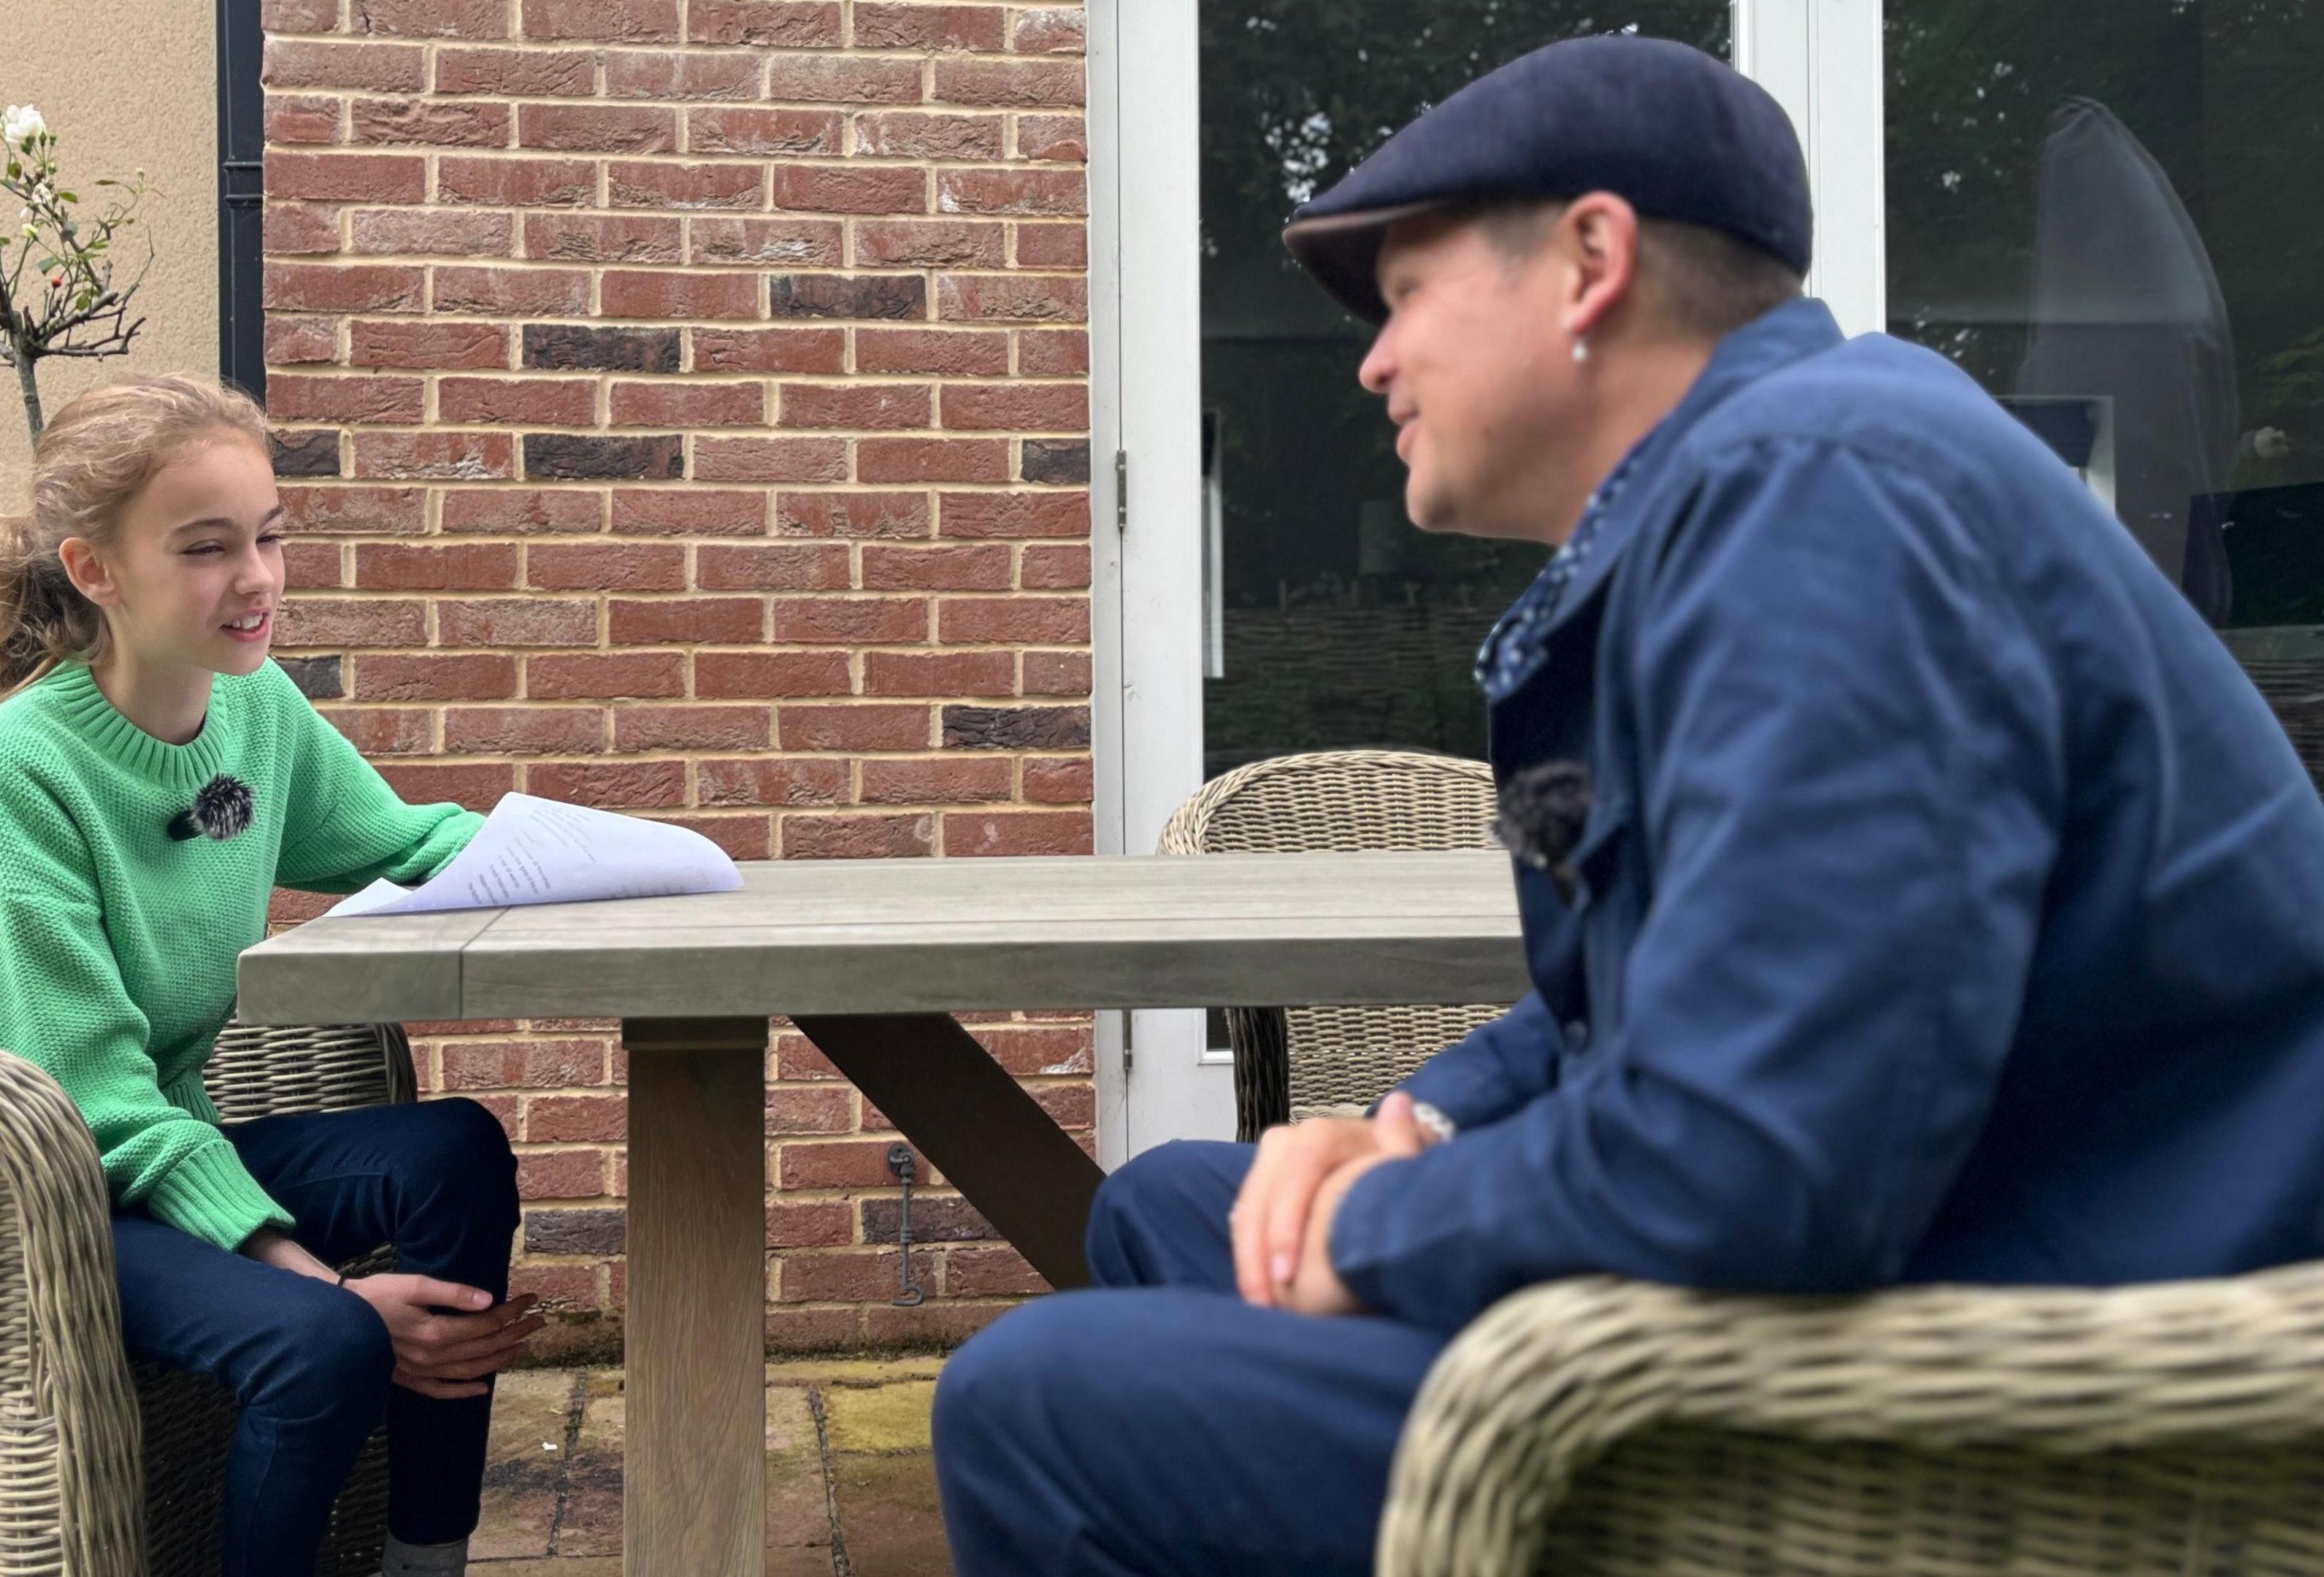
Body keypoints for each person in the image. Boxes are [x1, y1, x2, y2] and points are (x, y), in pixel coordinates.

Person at [933, 34, 2324, 1577]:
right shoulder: (1754, 500)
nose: (1371, 365)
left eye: (1400, 299)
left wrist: (1376, 1228)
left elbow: (1756, 1166)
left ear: (1592, 259)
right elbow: (1627, 998)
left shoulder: (1827, 505)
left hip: (2024, 1361)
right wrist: (1414, 1125)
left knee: (1026, 1405)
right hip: (1917, 1243)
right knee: (1172, 1208)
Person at [0, 374, 534, 1577]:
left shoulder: (255, 713)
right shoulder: (18, 779)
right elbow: (87, 1101)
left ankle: (420, 1557)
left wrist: (607, 861)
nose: (257, 579)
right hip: (16, 1198)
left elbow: (405, 844)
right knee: (321, 1342)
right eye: (206, 548)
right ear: (94, 570)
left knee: (453, 1149)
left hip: (141, 1153)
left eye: (270, 537)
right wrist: (327, 1288)